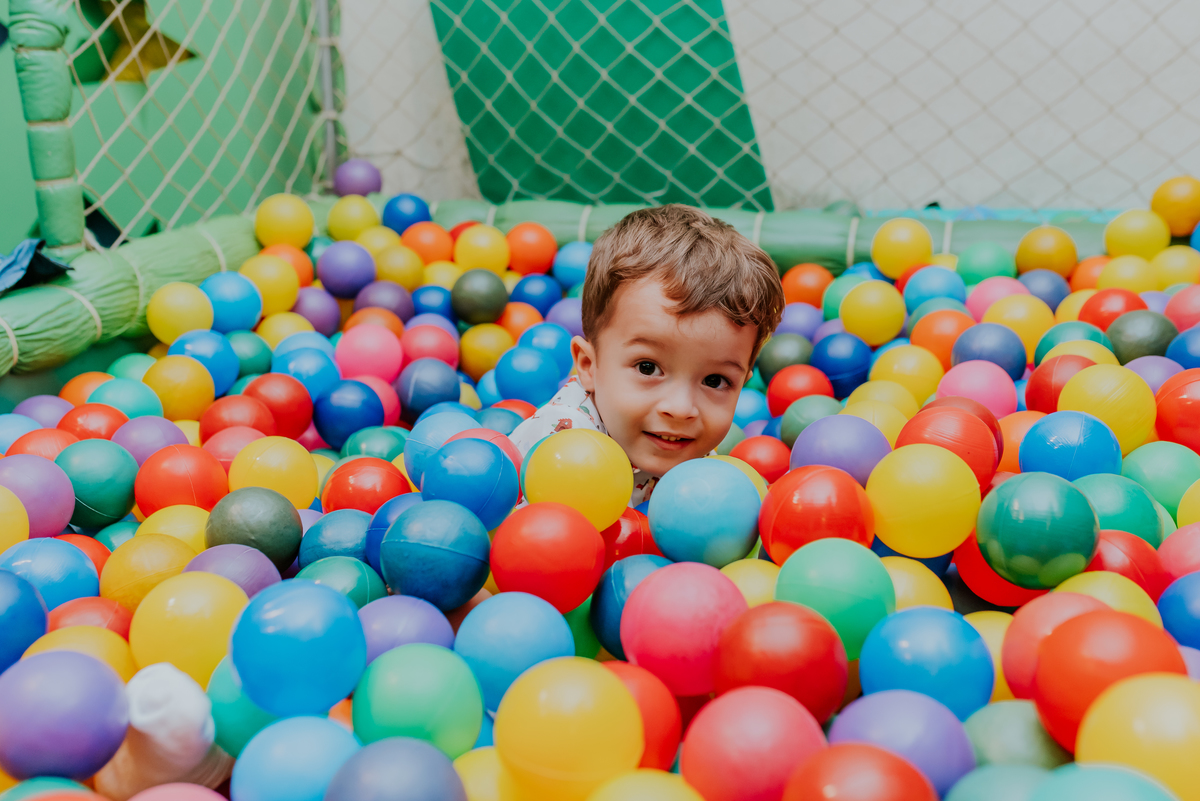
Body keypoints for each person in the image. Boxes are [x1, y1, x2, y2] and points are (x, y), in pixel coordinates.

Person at [510, 204, 785, 505]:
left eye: (715, 381)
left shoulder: (693, 453)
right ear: (589, 365)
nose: (680, 409)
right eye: (647, 367)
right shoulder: (562, 447)